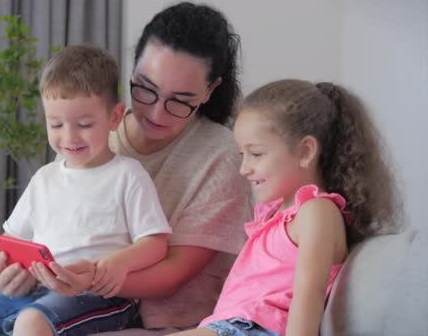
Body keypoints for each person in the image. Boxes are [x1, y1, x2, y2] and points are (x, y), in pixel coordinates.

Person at [29, 1, 254, 333]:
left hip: (166, 323)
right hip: (68, 300)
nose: (156, 113)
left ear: (209, 91)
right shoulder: (93, 131)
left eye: (180, 100)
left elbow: (170, 278)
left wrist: (87, 278)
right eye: (146, 89)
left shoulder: (221, 157)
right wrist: (20, 272)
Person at [0, 45, 173, 336]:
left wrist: (116, 264)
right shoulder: (44, 178)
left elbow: (156, 243)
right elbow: (9, 240)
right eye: (55, 124)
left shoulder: (128, 175)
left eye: (84, 124)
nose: (68, 137)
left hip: (100, 295)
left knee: (31, 322)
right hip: (36, 289)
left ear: (115, 117)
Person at [169, 79, 401, 336]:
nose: (244, 168)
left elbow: (308, 297)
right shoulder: (275, 215)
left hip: (251, 328)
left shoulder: (317, 212)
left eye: (256, 154)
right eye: (241, 154)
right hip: (230, 325)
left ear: (305, 152)